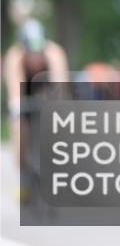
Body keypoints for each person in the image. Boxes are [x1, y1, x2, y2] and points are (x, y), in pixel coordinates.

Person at [3, 19, 69, 199]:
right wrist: (17, 107)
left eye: (39, 53)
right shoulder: (14, 56)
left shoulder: (54, 53)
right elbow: (15, 91)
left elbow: (60, 84)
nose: (36, 58)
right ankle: (22, 174)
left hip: (46, 91)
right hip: (25, 91)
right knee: (19, 126)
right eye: (32, 54)